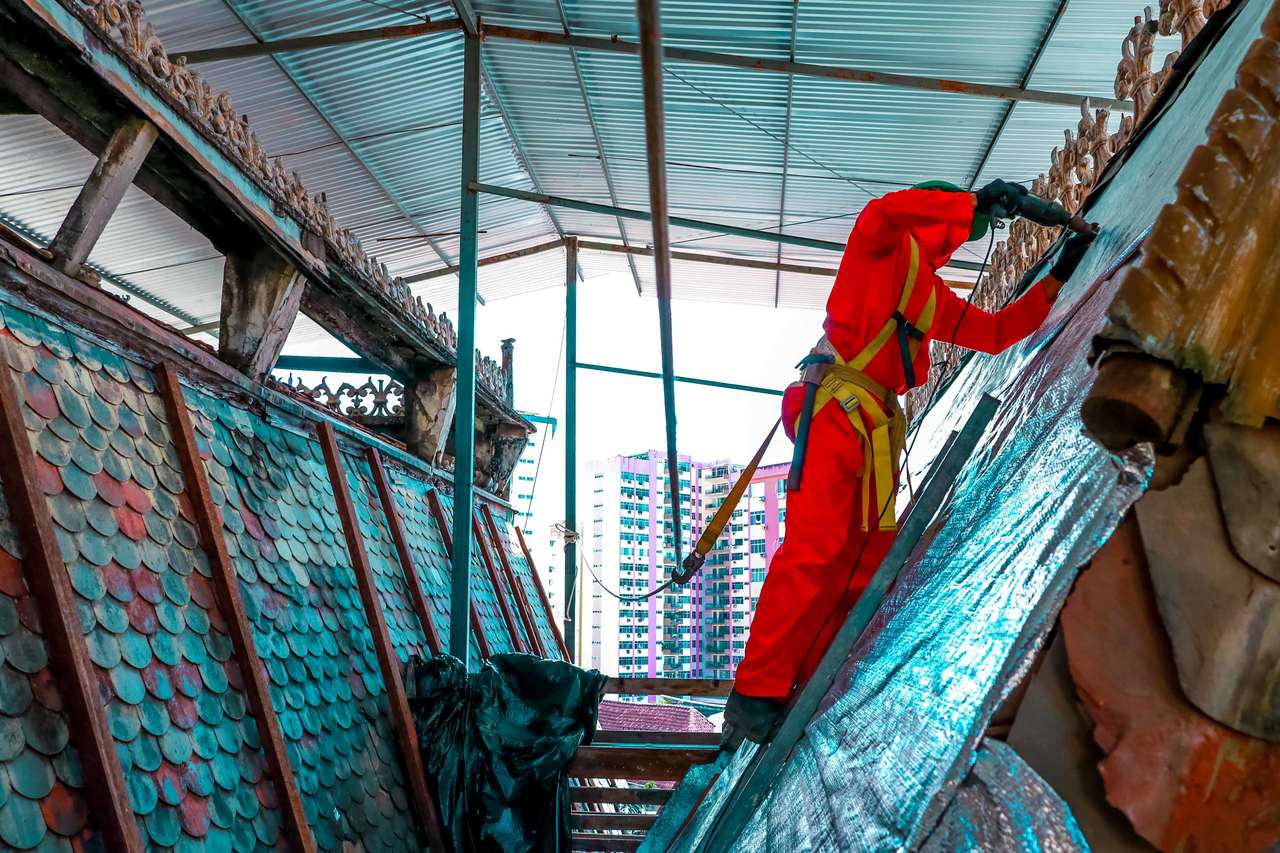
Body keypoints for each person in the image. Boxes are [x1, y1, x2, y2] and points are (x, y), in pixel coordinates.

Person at [722, 179, 1096, 747]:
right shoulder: (881, 249)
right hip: (835, 415)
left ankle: (800, 685)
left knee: (861, 561)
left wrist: (1059, 275)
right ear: (939, 220)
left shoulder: (929, 294)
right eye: (960, 225)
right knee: (815, 551)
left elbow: (994, 335)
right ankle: (754, 693)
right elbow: (883, 212)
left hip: (869, 426)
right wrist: (974, 200)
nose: (962, 236)